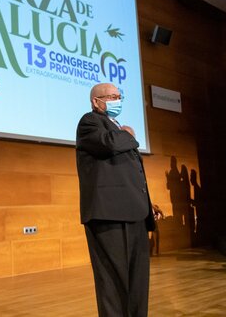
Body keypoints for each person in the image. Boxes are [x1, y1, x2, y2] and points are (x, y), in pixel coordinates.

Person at [76, 82, 155, 317]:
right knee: (112, 282)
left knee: (138, 282)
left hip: (135, 213)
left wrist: (148, 203)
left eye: (119, 96)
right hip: (109, 214)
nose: (116, 100)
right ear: (96, 101)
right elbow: (109, 144)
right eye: (111, 96)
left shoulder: (115, 126)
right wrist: (128, 134)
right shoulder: (89, 122)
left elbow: (131, 173)